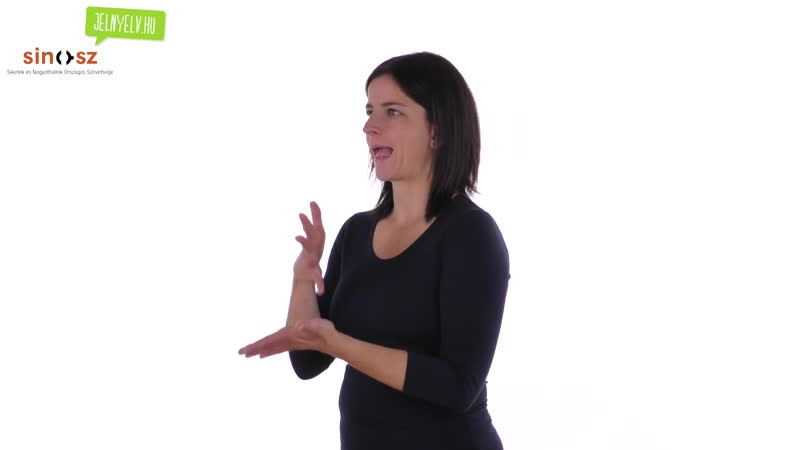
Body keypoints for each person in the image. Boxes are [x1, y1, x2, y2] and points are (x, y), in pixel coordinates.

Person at [239, 51, 510, 450]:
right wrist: (301, 279)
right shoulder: (356, 232)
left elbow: (458, 387)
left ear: (438, 131)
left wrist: (338, 344)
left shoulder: (471, 235)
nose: (369, 127)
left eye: (392, 112)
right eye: (369, 111)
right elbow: (308, 361)